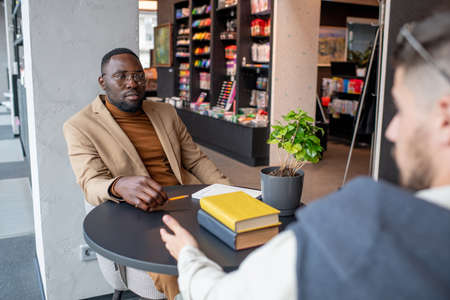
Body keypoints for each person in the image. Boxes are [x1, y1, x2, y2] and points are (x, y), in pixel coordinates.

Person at [159, 11, 450, 300]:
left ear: (444, 118)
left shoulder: (354, 228)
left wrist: (189, 256)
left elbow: (222, 296)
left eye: (401, 110)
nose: (392, 131)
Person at [63, 48, 230, 300]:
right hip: (137, 215)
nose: (132, 83)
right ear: (103, 81)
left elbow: (196, 160)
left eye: (138, 76)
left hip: (184, 202)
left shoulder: (165, 112)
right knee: (175, 269)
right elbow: (90, 183)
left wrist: (230, 191)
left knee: (237, 243)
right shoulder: (80, 126)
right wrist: (118, 185)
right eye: (120, 76)